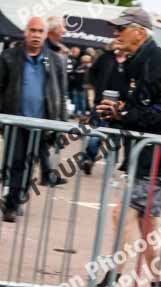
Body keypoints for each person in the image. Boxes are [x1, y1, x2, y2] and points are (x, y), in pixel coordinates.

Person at [96, 7, 161, 287]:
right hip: (147, 153)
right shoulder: (134, 62)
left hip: (160, 153)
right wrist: (118, 113)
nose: (115, 33)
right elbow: (139, 108)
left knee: (121, 214)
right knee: (147, 224)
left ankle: (109, 283)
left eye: (121, 28)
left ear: (140, 31)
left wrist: (129, 113)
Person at [0, 16, 68, 223]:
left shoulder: (56, 61)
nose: (36, 35)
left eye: (40, 31)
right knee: (15, 163)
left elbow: (60, 94)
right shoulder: (9, 57)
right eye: (33, 30)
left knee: (29, 166)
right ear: (25, 32)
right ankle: (11, 204)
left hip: (42, 124)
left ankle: (16, 198)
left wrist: (61, 125)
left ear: (46, 35)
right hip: (15, 121)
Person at [83, 45, 127, 175]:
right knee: (95, 135)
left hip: (119, 107)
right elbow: (92, 72)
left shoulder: (132, 62)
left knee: (114, 138)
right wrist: (97, 89)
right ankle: (89, 159)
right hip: (101, 103)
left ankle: (110, 164)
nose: (120, 44)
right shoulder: (105, 58)